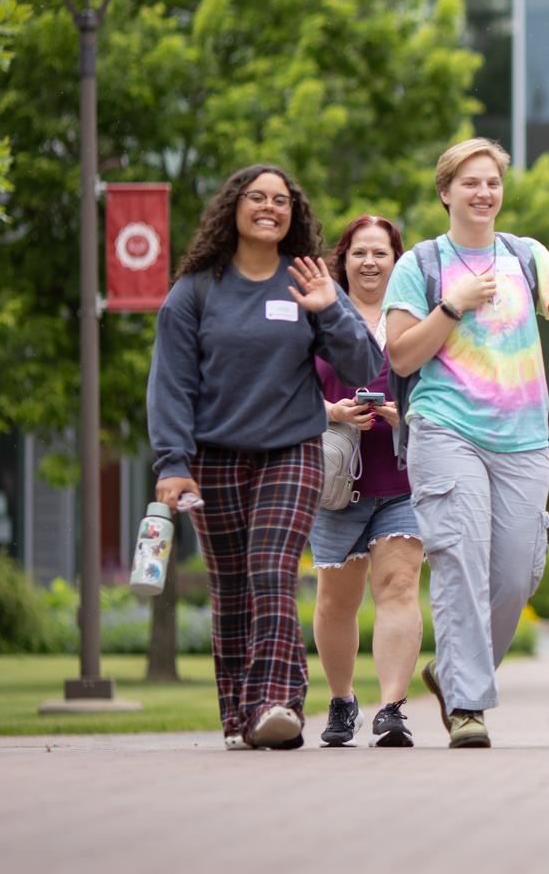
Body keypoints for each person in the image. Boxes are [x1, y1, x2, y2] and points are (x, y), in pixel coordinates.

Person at [385, 138, 549, 748]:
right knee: (460, 565)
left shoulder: (526, 255)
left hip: (522, 440)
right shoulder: (421, 265)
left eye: (492, 182)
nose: (484, 192)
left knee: (515, 575)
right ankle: (467, 706)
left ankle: (450, 671)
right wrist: (451, 306)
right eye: (470, 182)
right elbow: (403, 355)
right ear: (446, 192)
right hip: (446, 430)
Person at [148, 164, 381, 750]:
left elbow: (363, 368)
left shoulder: (307, 281)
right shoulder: (196, 290)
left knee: (272, 569)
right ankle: (239, 714)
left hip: (291, 451)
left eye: (281, 200)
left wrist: (331, 307)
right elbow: (171, 383)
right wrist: (172, 463)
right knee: (229, 587)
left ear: (293, 213)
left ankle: (278, 703)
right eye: (257, 197)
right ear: (234, 208)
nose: (269, 207)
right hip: (214, 459)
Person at [310, 215, 424, 748]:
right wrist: (330, 411)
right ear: (344, 259)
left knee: (399, 587)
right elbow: (288, 386)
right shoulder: (321, 315)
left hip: (402, 478)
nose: (371, 262)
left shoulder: (412, 317)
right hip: (338, 485)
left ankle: (392, 708)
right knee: (337, 601)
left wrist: (410, 413)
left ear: (396, 261)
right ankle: (341, 699)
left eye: (381, 253)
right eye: (360, 253)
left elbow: (443, 384)